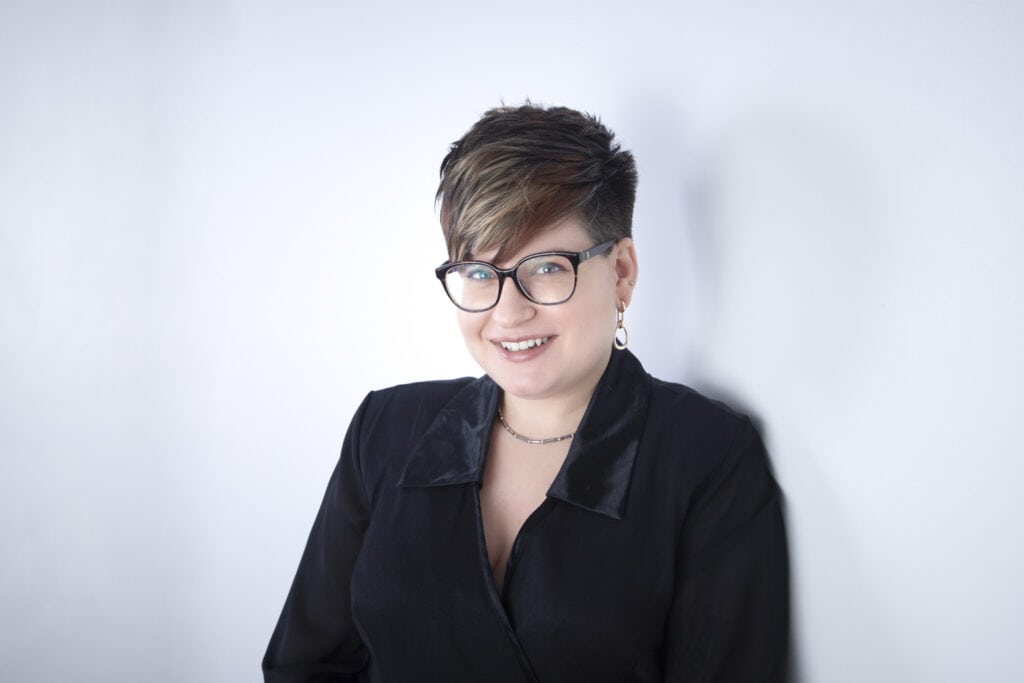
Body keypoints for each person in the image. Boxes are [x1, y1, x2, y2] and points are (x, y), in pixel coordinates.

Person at [263, 104, 789, 682]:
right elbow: (304, 665)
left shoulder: (706, 455)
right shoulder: (385, 428)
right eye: (481, 273)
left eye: (544, 267)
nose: (507, 313)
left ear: (621, 272)